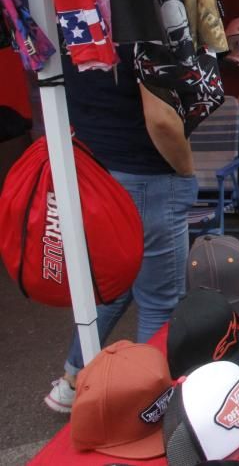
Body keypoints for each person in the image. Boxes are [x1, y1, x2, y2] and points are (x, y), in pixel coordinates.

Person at [44, 46, 199, 412]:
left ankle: (72, 380)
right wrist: (187, 169)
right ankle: (152, 407)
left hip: (95, 165)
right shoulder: (136, 15)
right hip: (145, 171)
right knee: (160, 301)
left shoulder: (75, 11)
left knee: (115, 286)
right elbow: (160, 118)